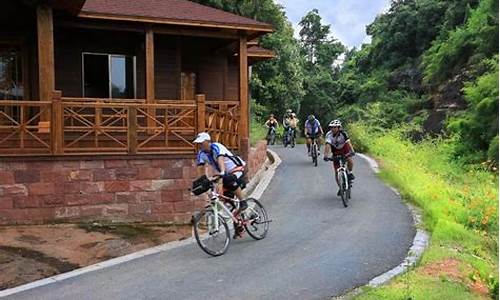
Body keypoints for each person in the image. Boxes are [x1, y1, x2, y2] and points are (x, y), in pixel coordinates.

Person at [193, 132, 247, 238]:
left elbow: (220, 159)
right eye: (198, 143)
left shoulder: (217, 147)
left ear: (208, 142)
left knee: (228, 179)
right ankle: (238, 225)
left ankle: (243, 201)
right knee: (227, 200)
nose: (200, 145)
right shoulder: (201, 154)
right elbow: (200, 168)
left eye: (201, 143)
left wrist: (222, 172)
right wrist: (201, 181)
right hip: (225, 174)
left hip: (237, 169)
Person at [323, 120, 356, 196]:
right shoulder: (329, 134)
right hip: (335, 151)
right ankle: (341, 187)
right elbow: (327, 145)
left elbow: (348, 143)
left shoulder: (343, 134)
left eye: (335, 127)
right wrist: (325, 155)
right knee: (336, 171)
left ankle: (350, 173)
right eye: (331, 127)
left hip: (344, 149)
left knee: (350, 161)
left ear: (339, 128)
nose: (333, 129)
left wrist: (352, 151)